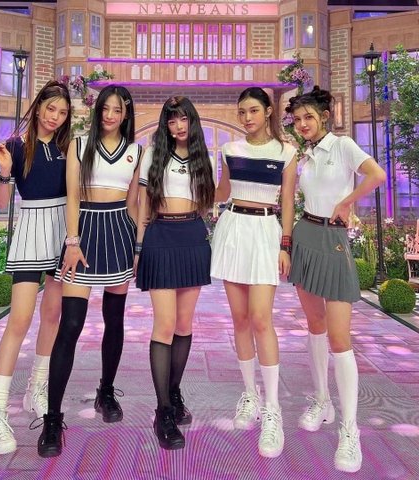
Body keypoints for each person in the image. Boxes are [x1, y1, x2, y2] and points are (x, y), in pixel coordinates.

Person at [37, 85, 142, 458]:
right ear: (98, 111)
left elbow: (134, 205)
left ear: (126, 114)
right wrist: (72, 241)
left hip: (119, 234)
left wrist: (137, 247)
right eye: (105, 109)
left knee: (115, 321)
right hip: (83, 234)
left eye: (118, 110)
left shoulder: (136, 152)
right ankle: (52, 419)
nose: (110, 116)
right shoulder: (79, 145)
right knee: (70, 325)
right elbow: (72, 196)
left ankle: (106, 392)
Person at [286, 86, 386, 473]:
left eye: (309, 117)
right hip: (306, 236)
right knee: (314, 326)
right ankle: (322, 401)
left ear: (324, 117)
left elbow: (376, 174)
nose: (303, 124)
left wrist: (346, 202)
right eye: (298, 119)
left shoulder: (342, 146)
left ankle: (350, 428)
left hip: (334, 239)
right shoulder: (306, 154)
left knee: (340, 339)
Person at [0, 80, 72, 455]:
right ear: (38, 107)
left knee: (52, 315)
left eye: (62, 112)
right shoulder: (17, 147)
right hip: (32, 231)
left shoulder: (68, 148)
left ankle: (37, 387)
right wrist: (4, 170)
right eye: (50, 109)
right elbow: (2, 201)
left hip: (62, 232)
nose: (55, 117)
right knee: (19, 320)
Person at [211, 87, 297, 458]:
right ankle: (250, 395)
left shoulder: (285, 152)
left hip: (265, 232)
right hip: (233, 230)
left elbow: (288, 202)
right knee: (241, 319)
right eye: (242, 112)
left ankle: (273, 409)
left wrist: (285, 245)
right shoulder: (229, 150)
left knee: (262, 319)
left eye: (253, 111)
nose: (247, 118)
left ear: (268, 112)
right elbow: (221, 192)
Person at [135, 96, 215, 450]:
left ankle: (174, 392)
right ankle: (163, 411)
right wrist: (139, 247)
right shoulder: (153, 154)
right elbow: (143, 204)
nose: (178, 126)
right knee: (165, 325)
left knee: (184, 325)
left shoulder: (201, 157)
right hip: (160, 236)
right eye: (171, 121)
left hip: (193, 237)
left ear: (192, 121)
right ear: (165, 125)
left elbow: (209, 200)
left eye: (183, 119)